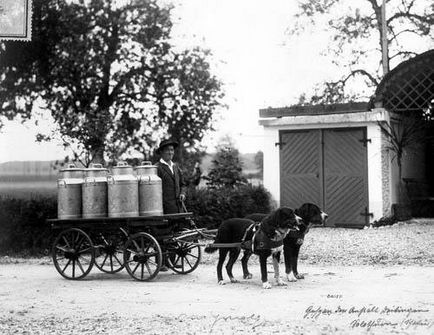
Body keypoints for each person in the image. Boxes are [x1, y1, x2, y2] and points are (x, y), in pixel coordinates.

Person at [155, 138, 187, 214]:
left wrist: (183, 193)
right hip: (164, 210)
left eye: (172, 150)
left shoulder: (176, 167)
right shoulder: (157, 168)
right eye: (167, 150)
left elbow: (183, 185)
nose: (170, 152)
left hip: (179, 208)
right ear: (161, 152)